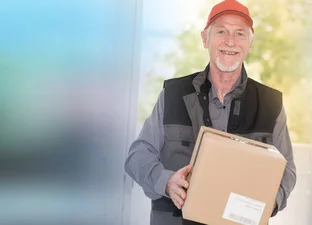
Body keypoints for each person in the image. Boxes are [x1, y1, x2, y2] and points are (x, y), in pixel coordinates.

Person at [124, 0, 297, 224]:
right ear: (205, 39)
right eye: (221, 31)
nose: (231, 41)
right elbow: (137, 155)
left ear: (250, 44)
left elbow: (287, 170)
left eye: (240, 34)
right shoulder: (173, 94)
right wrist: (165, 181)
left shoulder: (271, 103)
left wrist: (269, 202)